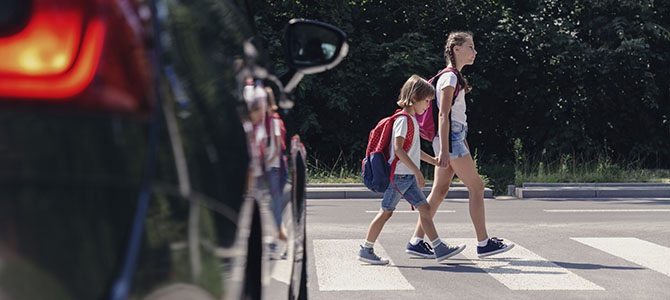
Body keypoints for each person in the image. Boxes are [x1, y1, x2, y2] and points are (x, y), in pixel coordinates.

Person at [406, 32, 514, 259]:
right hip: (449, 139)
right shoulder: (450, 78)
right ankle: (484, 243)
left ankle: (416, 241)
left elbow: (454, 117)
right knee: (477, 188)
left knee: (440, 190)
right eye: (471, 47)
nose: (474, 52)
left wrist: (458, 142)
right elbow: (443, 115)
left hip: (454, 138)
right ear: (456, 48)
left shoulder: (453, 77)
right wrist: (446, 150)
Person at [357, 75, 466, 265]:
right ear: (414, 98)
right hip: (399, 177)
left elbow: (412, 150)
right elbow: (399, 149)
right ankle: (366, 249)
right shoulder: (404, 120)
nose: (427, 106)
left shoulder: (411, 120)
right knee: (386, 212)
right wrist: (417, 171)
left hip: (405, 176)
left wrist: (432, 160)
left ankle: (438, 248)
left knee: (424, 208)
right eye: (426, 101)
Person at [264, 86, 289, 243]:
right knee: (273, 204)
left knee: (274, 204)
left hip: (272, 167)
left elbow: (277, 146)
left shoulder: (273, 121)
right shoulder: (269, 120)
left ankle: (282, 234)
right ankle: (280, 233)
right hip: (271, 166)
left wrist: (266, 160)